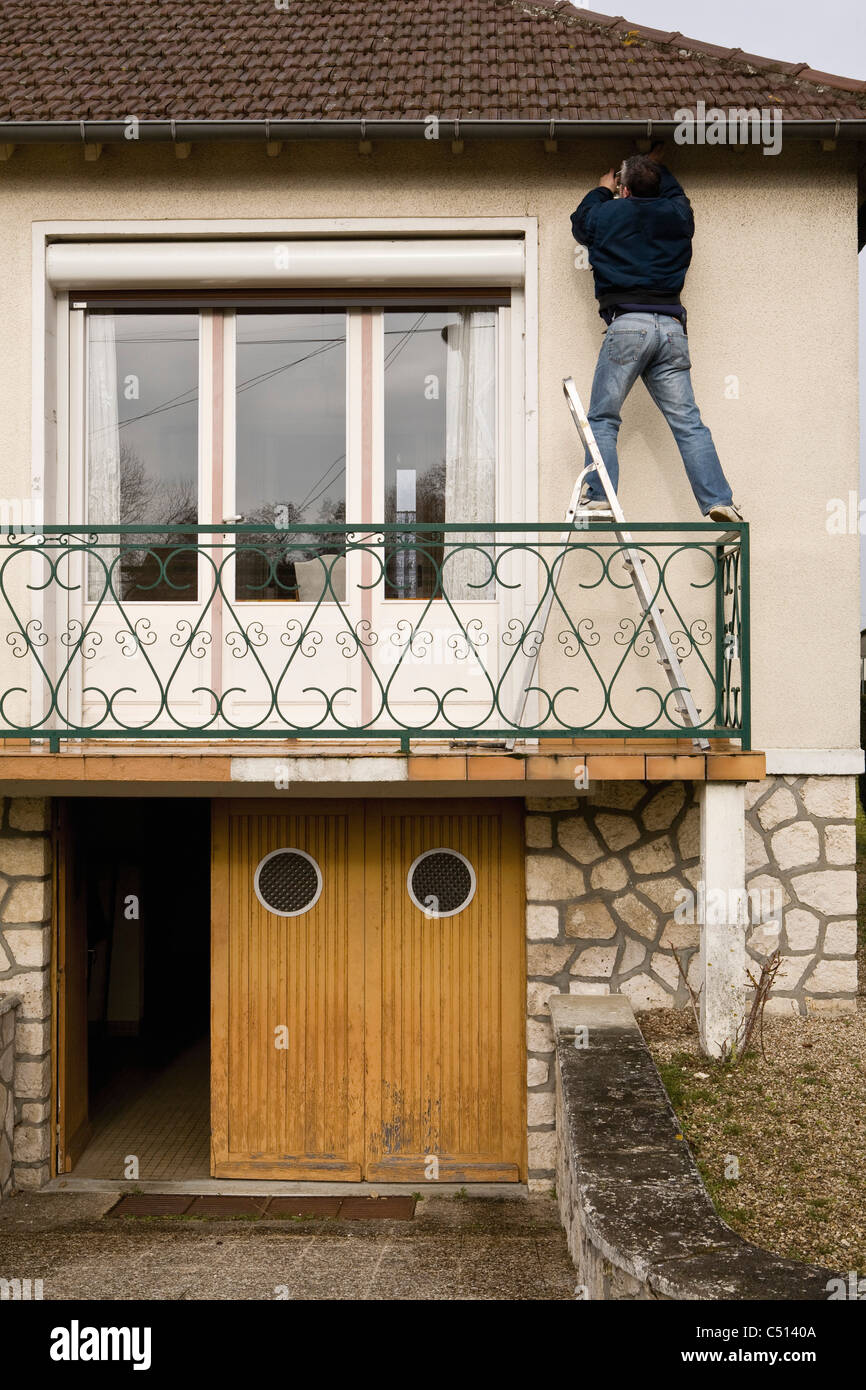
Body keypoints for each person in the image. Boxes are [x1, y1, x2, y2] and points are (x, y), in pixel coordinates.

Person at [570, 145, 742, 523]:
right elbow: (676, 196)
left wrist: (602, 188)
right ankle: (718, 500)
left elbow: (580, 223)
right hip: (670, 330)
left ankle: (600, 497)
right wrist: (655, 169)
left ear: (624, 189)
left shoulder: (607, 213)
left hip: (627, 324)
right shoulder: (677, 215)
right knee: (688, 422)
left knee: (603, 417)